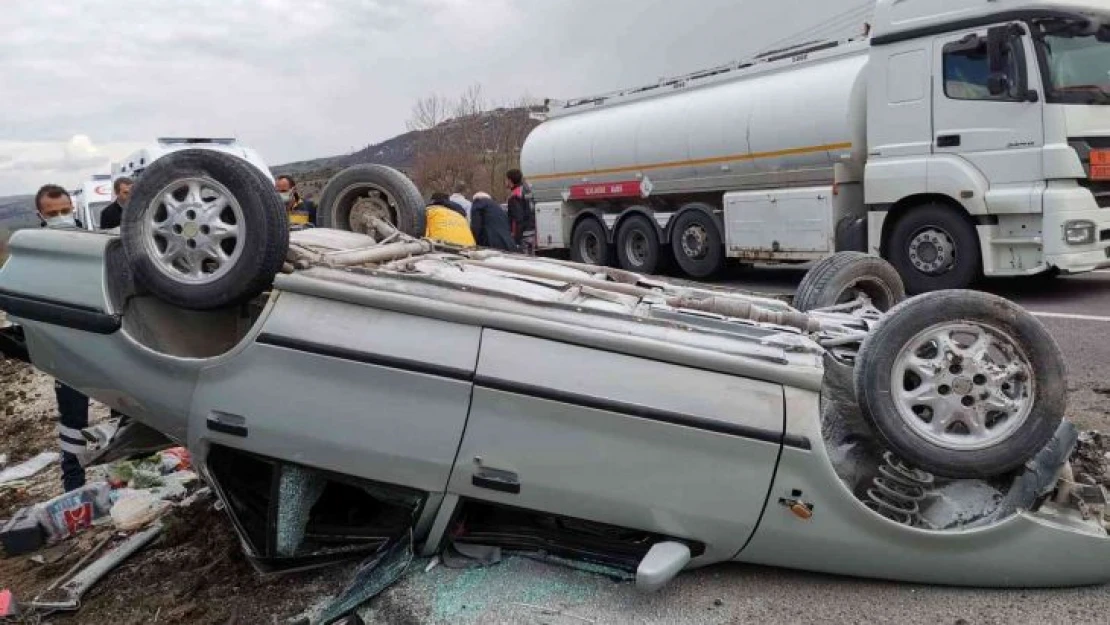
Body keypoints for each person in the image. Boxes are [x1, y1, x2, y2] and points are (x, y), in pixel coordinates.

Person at [33, 185, 91, 491]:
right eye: (53, 213)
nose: (60, 217)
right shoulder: (36, 251)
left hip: (104, 342)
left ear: (73, 207)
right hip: (64, 347)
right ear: (40, 215)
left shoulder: (92, 241)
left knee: (125, 412)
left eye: (65, 211)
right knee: (73, 419)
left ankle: (129, 471)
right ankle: (75, 484)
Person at [505, 169, 536, 255]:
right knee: (532, 261)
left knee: (524, 262)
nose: (505, 182)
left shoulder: (514, 195)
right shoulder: (527, 189)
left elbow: (518, 219)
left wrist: (516, 240)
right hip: (532, 232)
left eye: (506, 179)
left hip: (522, 236)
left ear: (510, 181)